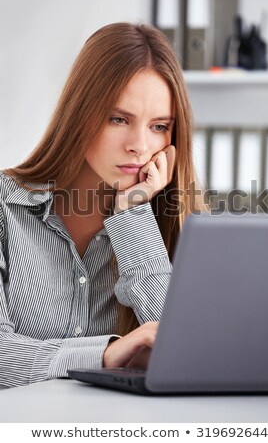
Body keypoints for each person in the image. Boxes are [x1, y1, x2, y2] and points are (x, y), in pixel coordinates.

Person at [0, 22, 206, 388]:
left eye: (159, 126)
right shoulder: (5, 207)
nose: (139, 146)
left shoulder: (183, 226)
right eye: (118, 119)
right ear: (80, 113)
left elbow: (190, 354)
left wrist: (133, 218)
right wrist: (104, 354)